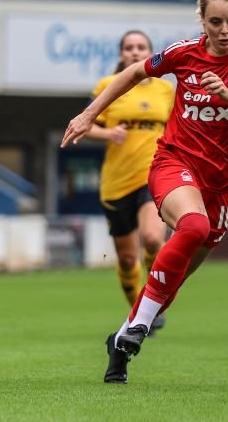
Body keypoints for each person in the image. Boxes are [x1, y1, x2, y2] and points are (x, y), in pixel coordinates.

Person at [61, 0, 228, 384]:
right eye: (216, 21)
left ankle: (123, 339)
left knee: (174, 277)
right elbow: (132, 75)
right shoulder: (183, 53)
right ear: (201, 19)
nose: (225, 30)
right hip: (174, 164)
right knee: (192, 225)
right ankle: (140, 327)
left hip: (225, 185)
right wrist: (89, 114)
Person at [83, 30, 174, 334]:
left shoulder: (165, 90)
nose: (135, 52)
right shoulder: (109, 87)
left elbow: (179, 129)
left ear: (150, 52)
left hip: (154, 176)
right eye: (129, 48)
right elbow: (86, 125)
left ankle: (153, 302)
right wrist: (108, 133)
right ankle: (138, 307)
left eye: (141, 47)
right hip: (116, 181)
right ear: (121, 54)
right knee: (126, 258)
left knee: (151, 238)